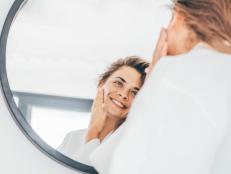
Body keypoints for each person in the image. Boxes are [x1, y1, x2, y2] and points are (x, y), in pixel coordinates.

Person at [89, 0, 231, 174]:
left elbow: (124, 166)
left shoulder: (177, 75)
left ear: (179, 17)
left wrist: (156, 77)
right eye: (119, 83)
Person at [57, 56, 149, 165]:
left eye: (134, 92)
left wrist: (93, 131)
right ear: (102, 83)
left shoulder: (132, 149)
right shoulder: (72, 138)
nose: (124, 94)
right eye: (119, 83)